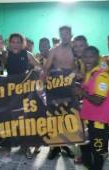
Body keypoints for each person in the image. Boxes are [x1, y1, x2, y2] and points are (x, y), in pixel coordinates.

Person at [75, 46, 109, 170]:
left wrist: (81, 91)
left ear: (97, 58)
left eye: (91, 56)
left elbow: (97, 100)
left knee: (97, 154)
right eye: (85, 56)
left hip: (98, 123)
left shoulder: (102, 76)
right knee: (85, 148)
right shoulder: (90, 73)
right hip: (87, 118)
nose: (87, 59)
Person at [43, 26, 77, 160]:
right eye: (62, 34)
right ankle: (54, 147)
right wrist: (41, 86)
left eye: (67, 34)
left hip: (70, 88)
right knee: (54, 118)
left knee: (68, 118)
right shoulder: (54, 50)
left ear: (71, 34)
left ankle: (66, 145)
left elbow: (80, 66)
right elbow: (46, 68)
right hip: (55, 88)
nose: (64, 36)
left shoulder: (76, 49)